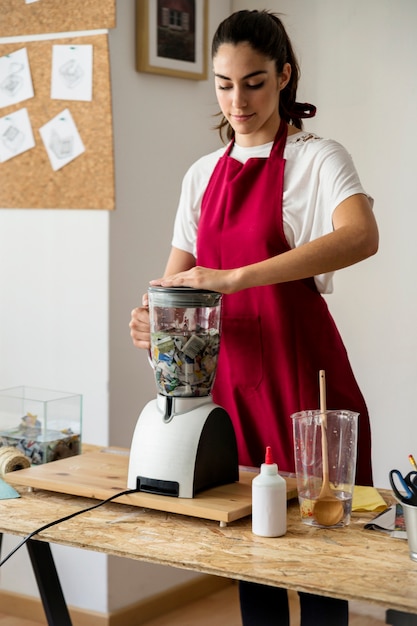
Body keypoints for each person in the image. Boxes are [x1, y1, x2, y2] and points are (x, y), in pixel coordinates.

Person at [130, 9, 378, 626]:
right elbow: (174, 286)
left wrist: (237, 277)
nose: (237, 100)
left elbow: (362, 235)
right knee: (251, 561)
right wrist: (153, 325)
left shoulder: (318, 158)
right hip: (229, 392)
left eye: (254, 82)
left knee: (322, 567)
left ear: (284, 76)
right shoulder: (200, 176)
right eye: (223, 83)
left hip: (303, 383)